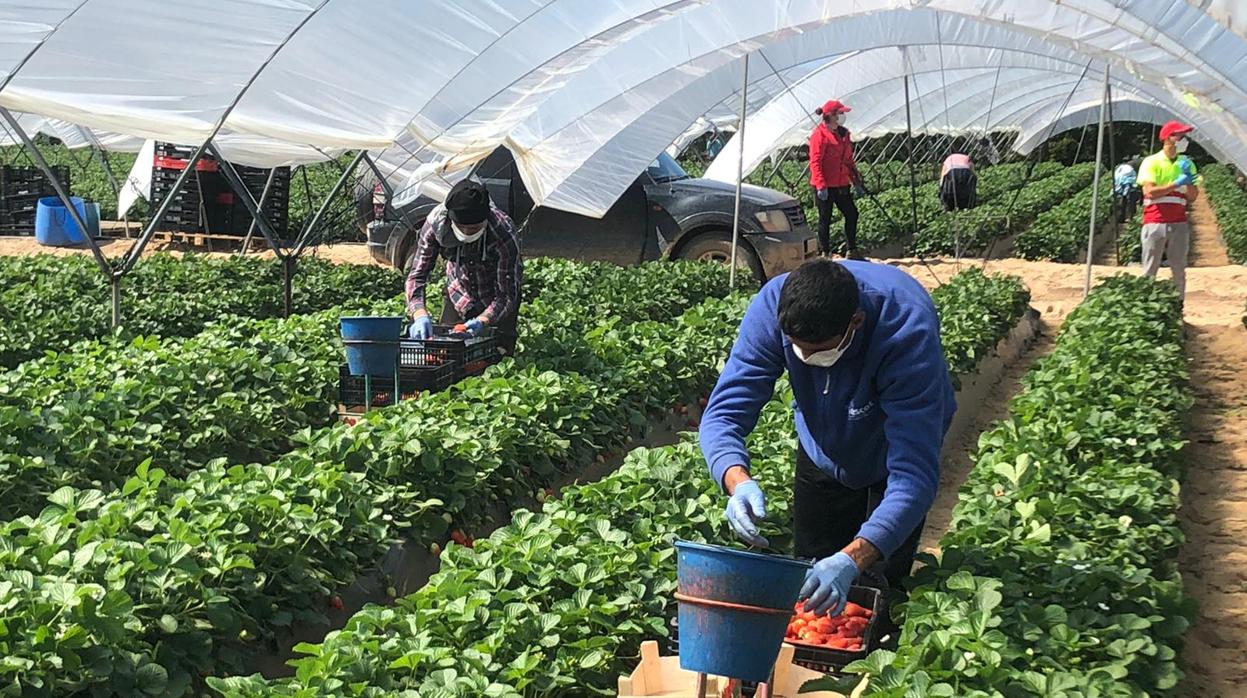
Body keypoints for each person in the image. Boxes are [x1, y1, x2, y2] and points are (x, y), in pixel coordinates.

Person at [700, 258, 955, 619]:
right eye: (797, 347)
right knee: (810, 573)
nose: (806, 357)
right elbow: (724, 413)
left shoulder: (905, 329)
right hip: (823, 444)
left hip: (889, 448)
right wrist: (736, 479)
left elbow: (913, 476)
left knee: (880, 585)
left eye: (820, 349)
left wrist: (854, 558)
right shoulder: (774, 308)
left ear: (855, 322)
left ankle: (876, 651)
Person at [406, 178, 523, 354]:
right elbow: (417, 275)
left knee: (498, 353)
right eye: (462, 227)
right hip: (458, 292)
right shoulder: (435, 226)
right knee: (447, 353)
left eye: (474, 228)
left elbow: (506, 295)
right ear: (451, 219)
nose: (467, 233)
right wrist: (419, 314)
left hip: (495, 298)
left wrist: (483, 320)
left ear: (485, 220)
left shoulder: (502, 231)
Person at [1137, 121, 1201, 300]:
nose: (1183, 139)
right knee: (1150, 268)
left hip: (1179, 223)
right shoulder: (1151, 162)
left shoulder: (1186, 163)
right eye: (1179, 135)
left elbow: (1193, 196)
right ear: (1167, 138)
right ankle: (1146, 305)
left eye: (1184, 136)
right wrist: (1176, 183)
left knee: (1179, 269)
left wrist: (1187, 181)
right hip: (1154, 222)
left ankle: (1178, 306)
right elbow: (1150, 192)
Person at [809, 100, 866, 260]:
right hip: (825, 185)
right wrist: (820, 185)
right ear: (831, 115)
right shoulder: (819, 135)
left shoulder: (844, 134)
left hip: (841, 183)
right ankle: (826, 253)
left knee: (852, 213)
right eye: (840, 113)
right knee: (825, 218)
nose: (843, 116)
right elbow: (815, 161)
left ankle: (852, 249)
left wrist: (856, 180)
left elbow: (848, 160)